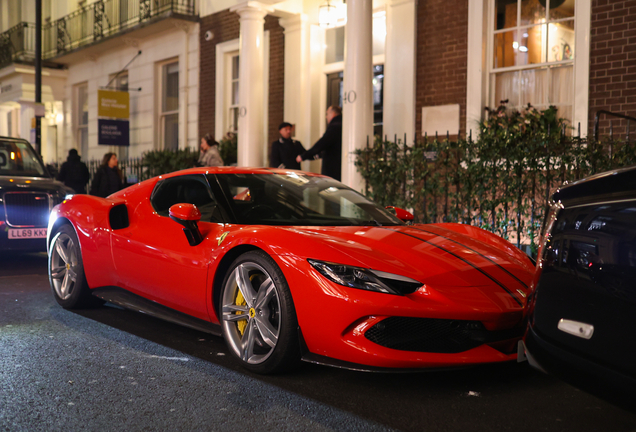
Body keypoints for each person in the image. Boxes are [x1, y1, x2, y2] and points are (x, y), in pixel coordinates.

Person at [296, 105, 342, 181]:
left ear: (333, 113)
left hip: (333, 169)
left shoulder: (334, 127)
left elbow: (321, 144)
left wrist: (304, 156)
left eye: (327, 114)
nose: (326, 117)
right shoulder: (342, 125)